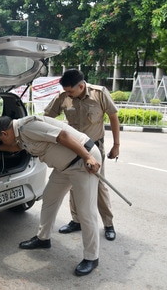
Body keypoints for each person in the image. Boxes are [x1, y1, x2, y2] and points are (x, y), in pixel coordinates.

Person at [0, 115, 103, 276]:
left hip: (81, 162)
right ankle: (43, 239)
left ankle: (92, 257)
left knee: (86, 212)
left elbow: (63, 136)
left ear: (4, 133)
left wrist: (87, 157)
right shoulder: (18, 135)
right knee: (49, 198)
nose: (2, 142)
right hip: (63, 167)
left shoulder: (27, 127)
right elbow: (17, 148)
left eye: (0, 140)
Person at [43, 69, 120, 241]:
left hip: (94, 148)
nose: (67, 94)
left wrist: (116, 145)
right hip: (72, 149)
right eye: (66, 91)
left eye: (70, 91)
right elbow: (47, 117)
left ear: (81, 85)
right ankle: (76, 220)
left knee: (99, 186)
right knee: (74, 183)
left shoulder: (99, 94)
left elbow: (114, 117)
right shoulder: (63, 97)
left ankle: (108, 224)